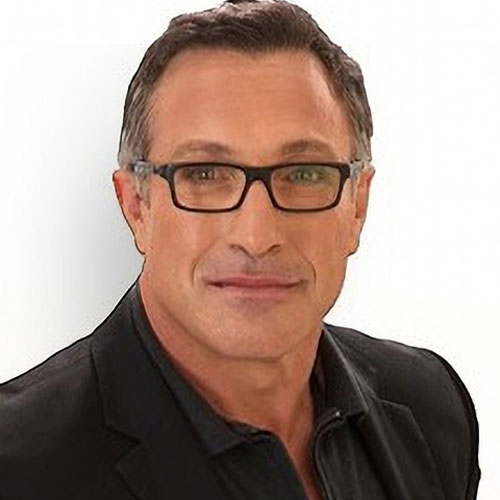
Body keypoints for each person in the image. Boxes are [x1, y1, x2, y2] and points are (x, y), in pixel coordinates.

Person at [0, 0, 480, 498]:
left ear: (356, 206)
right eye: (205, 174)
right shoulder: (16, 466)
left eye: (304, 174)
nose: (257, 234)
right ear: (136, 206)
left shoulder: (432, 408)